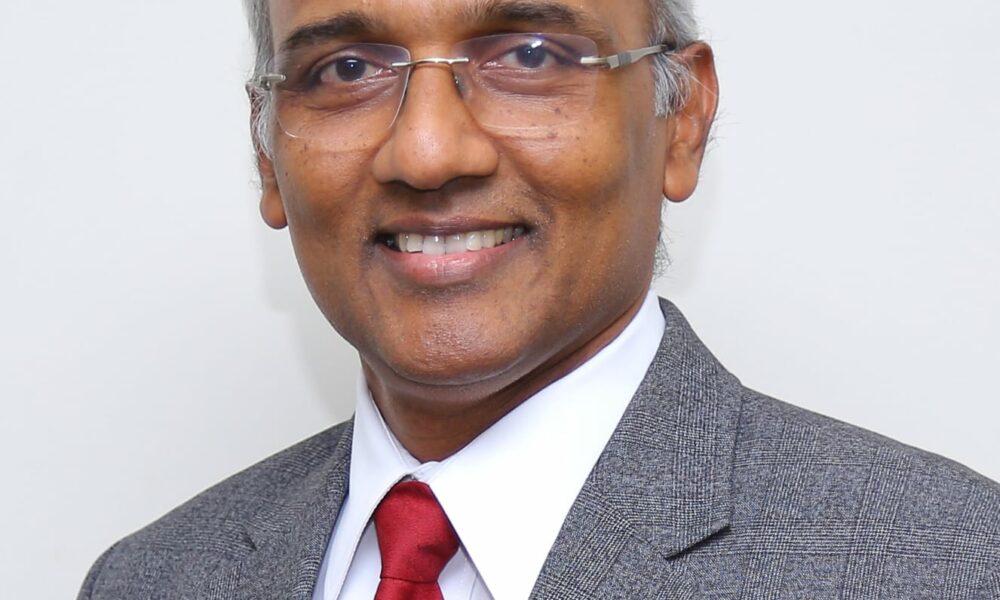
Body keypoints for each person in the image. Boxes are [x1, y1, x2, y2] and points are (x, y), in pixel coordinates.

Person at [78, 0, 1000, 598]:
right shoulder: (151, 579)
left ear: (681, 121)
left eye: (528, 53)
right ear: (265, 149)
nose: (427, 153)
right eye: (347, 70)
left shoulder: (945, 564)